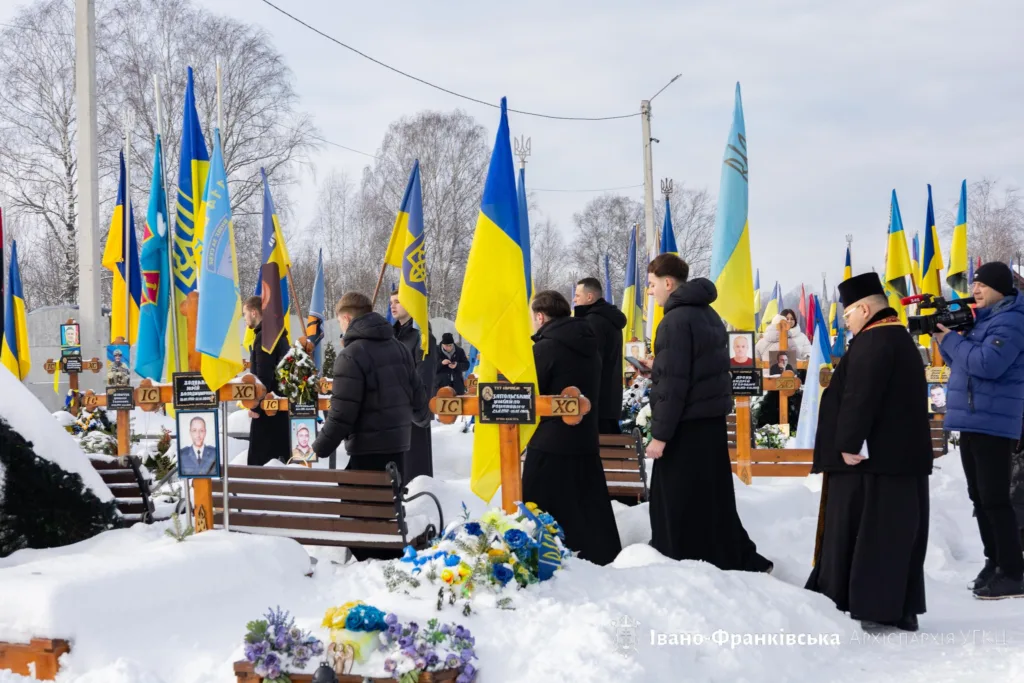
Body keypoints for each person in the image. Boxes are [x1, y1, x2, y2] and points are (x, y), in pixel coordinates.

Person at [805, 272, 932, 631]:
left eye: (847, 315)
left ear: (863, 309)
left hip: (869, 465)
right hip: (897, 463)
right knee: (895, 536)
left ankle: (862, 603)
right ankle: (897, 606)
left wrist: (847, 443)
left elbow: (860, 397)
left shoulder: (873, 342)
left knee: (866, 534)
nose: (846, 321)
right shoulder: (897, 337)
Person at [642, 253, 771, 572]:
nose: (649, 291)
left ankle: (683, 562)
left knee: (678, 500)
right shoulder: (707, 314)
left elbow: (675, 385)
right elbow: (692, 369)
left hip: (685, 427)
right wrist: (658, 366)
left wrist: (660, 436)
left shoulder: (674, 320)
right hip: (708, 422)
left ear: (668, 283)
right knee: (713, 499)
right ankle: (730, 554)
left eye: (651, 284)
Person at [937, 261, 1024, 599]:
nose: (975, 291)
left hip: (994, 421)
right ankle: (995, 561)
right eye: (974, 285)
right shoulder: (984, 321)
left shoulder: (1012, 321)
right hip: (973, 419)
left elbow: (988, 364)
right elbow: (963, 360)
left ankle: (1014, 572)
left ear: (1000, 288)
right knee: (979, 498)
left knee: (995, 499)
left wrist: (954, 342)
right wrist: (947, 339)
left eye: (982, 286)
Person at [523, 290, 621, 565]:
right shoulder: (589, 344)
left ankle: (545, 556)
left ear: (540, 316)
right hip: (585, 439)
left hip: (549, 442)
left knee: (540, 503)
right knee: (586, 505)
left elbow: (530, 393)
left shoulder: (545, 348)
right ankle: (599, 556)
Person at [314, 292, 428, 479]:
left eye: (339, 322)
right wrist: (419, 419)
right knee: (388, 506)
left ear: (346, 318)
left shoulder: (351, 355)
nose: (341, 327)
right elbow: (420, 404)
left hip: (366, 451)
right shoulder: (400, 348)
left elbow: (341, 414)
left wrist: (318, 449)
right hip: (398, 451)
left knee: (360, 505)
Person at [573, 277, 628, 434]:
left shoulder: (593, 322)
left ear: (589, 297)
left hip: (596, 401)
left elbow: (591, 363)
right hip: (608, 399)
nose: (574, 299)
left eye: (577, 295)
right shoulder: (608, 318)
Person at [391, 290, 436, 480]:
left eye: (397, 302)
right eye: (391, 302)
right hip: (392, 411)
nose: (392, 306)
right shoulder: (391, 337)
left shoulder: (423, 337)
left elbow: (423, 378)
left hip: (414, 412)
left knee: (414, 472)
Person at [243, 296, 290, 466]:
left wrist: (255, 406)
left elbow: (263, 377)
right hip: (280, 407)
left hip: (268, 411)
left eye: (245, 313)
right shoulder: (277, 334)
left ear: (254, 312)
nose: (245, 318)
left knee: (261, 467)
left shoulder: (264, 337)